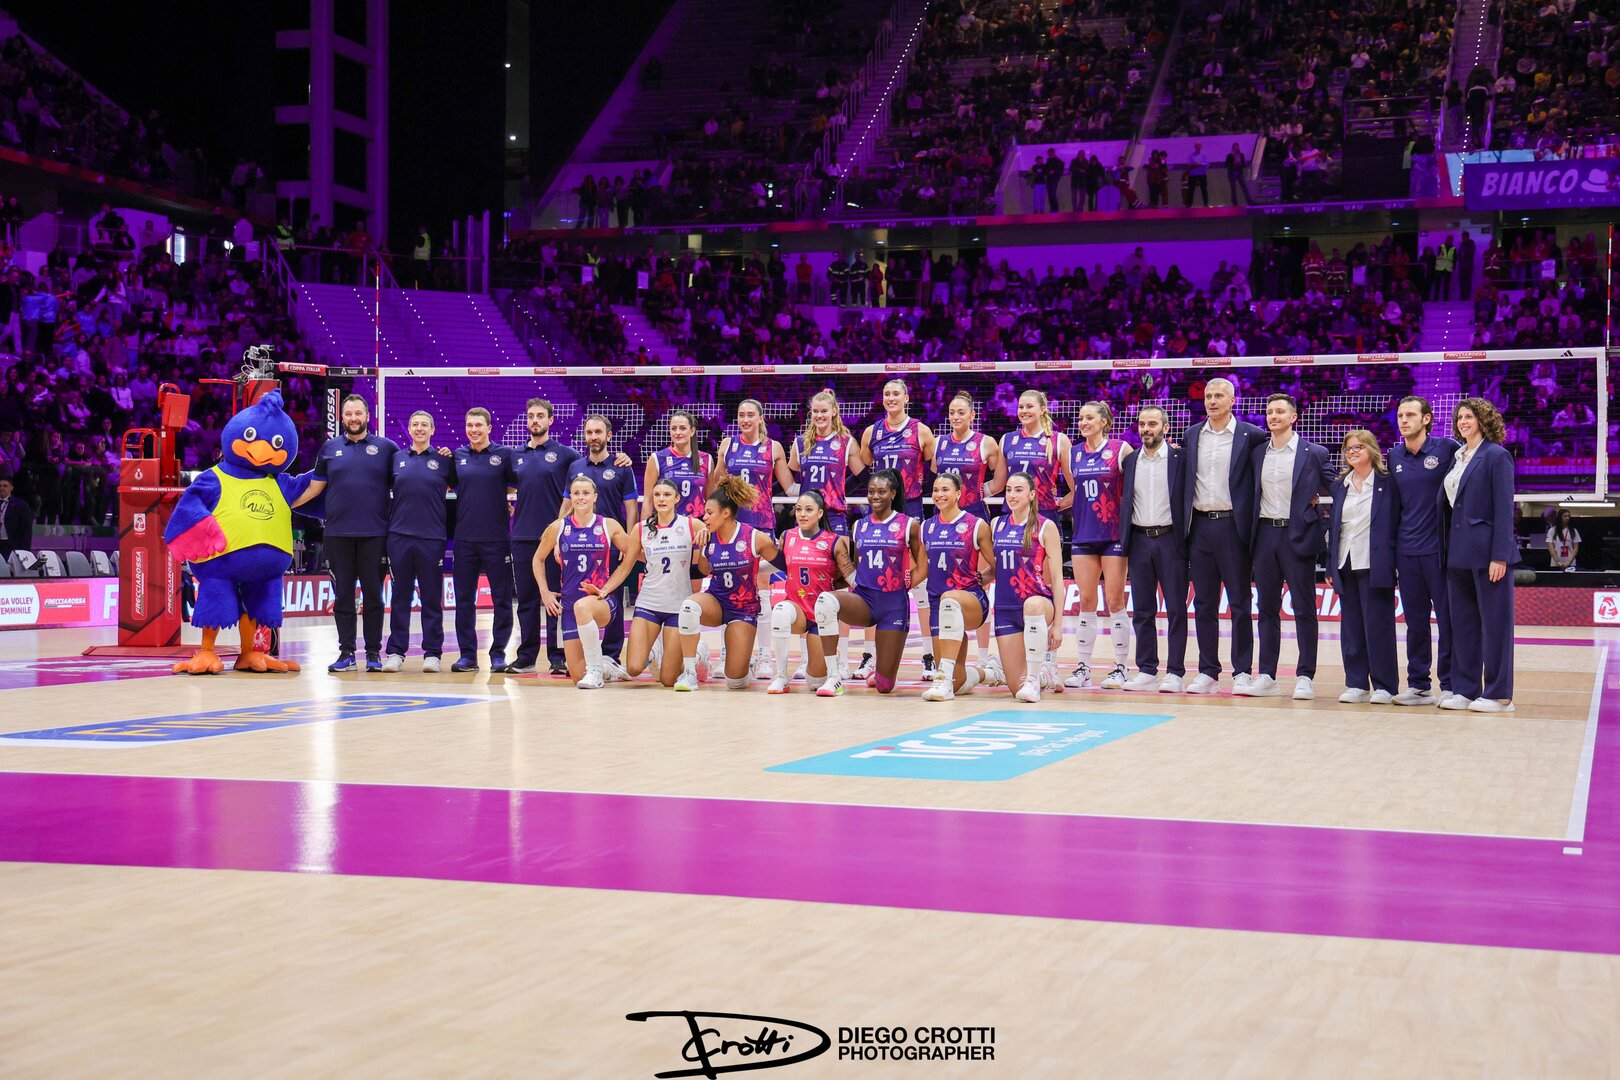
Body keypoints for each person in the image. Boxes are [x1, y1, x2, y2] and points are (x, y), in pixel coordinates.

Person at [298, 394, 400, 673]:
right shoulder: (329, 448)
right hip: (337, 535)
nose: (353, 418)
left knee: (373, 597)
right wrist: (284, 505)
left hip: (375, 535)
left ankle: (373, 653)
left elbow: (407, 480)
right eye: (348, 414)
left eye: (358, 413)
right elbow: (314, 488)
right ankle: (346, 653)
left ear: (367, 416)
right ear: (342, 418)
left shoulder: (387, 448)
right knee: (343, 596)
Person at [1243, 393, 1334, 700]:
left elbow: (1337, 488)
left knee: (1304, 608)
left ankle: (1305, 676)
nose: (1274, 416)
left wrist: (1317, 513)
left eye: (1280, 411)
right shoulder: (1257, 452)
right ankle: (1267, 675)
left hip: (1299, 535)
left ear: (1293, 417)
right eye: (1270, 411)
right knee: (1267, 608)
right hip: (1265, 534)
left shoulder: (1315, 453)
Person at [1180, 377, 1266, 694]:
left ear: (1232, 400)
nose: (1212, 401)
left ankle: (1242, 670)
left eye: (1219, 395)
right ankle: (1208, 671)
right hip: (1199, 526)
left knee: (1240, 602)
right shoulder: (1192, 435)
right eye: (1208, 396)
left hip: (1233, 526)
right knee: (1204, 603)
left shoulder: (1252, 435)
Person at [814, 471, 923, 697]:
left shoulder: (909, 525)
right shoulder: (859, 526)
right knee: (825, 601)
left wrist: (906, 583)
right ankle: (834, 676)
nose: (875, 496)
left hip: (894, 605)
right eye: (871, 491)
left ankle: (881, 671)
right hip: (864, 600)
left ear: (893, 494)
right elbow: (856, 565)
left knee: (884, 686)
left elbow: (923, 565)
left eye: (881, 492)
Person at [591, 477, 706, 687]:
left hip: (677, 606)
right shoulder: (641, 529)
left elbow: (713, 548)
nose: (661, 499)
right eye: (657, 495)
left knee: (668, 680)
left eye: (667, 495)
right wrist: (604, 590)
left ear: (677, 498)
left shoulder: (691, 525)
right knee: (634, 668)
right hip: (649, 603)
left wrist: (709, 532)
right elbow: (625, 566)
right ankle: (654, 652)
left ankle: (698, 654)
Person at [1442, 398, 1519, 713]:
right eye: (1460, 417)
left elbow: (1504, 508)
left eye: (1469, 417)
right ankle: (1465, 689)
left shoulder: (1496, 456)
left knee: (1496, 626)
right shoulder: (1457, 456)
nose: (1463, 421)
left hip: (1489, 553)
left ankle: (1499, 695)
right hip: (1458, 552)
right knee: (1463, 626)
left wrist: (1500, 555)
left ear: (1483, 420)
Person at [860, 380, 937, 675]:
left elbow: (934, 469)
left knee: (921, 587)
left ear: (906, 398)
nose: (891, 398)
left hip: (911, 510)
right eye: (886, 394)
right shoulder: (872, 432)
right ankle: (869, 656)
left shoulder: (921, 431)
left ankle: (929, 656)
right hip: (880, 513)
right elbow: (864, 468)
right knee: (872, 584)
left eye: (896, 394)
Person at [675, 476, 779, 692]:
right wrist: (702, 546)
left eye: (709, 513)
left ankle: (746, 663)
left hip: (743, 609)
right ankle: (691, 671)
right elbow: (704, 571)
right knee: (689, 607)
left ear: (725, 513)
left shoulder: (754, 537)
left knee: (735, 682)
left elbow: (782, 564)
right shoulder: (709, 537)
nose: (704, 517)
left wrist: (754, 568)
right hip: (717, 601)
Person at [930, 390, 1006, 682]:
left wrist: (978, 492)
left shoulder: (986, 442)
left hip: (974, 515)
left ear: (972, 415)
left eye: (961, 412)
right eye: (952, 412)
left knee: (978, 582)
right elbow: (936, 474)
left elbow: (999, 481)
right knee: (948, 582)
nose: (956, 417)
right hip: (945, 518)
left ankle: (984, 656)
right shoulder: (939, 443)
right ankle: (949, 655)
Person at [715, 399, 794, 678]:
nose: (745, 419)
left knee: (762, 590)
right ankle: (727, 654)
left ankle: (763, 657)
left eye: (751, 415)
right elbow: (717, 486)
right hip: (732, 527)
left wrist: (823, 494)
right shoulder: (728, 445)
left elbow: (790, 488)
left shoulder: (773, 447)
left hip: (761, 526)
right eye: (741, 415)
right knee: (730, 590)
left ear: (761, 418)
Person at [1388, 396, 1458, 705]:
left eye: (1410, 415)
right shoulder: (1394, 455)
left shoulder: (1448, 449)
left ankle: (1452, 684)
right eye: (1400, 415)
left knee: (1447, 620)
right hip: (1406, 552)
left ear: (1426, 419)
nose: (1404, 420)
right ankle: (1418, 685)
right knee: (1415, 622)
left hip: (1439, 552)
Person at [535, 475, 631, 689]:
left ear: (594, 497)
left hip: (600, 601)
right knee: (578, 676)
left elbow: (633, 555)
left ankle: (596, 671)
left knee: (583, 606)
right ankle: (606, 667)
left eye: (586, 493)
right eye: (576, 493)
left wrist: (608, 587)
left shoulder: (608, 525)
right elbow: (537, 559)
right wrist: (545, 592)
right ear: (570, 497)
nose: (581, 497)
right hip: (570, 605)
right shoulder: (559, 527)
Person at [1062, 400, 1132, 690]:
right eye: (1081, 418)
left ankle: (1121, 668)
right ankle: (1083, 668)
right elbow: (1074, 492)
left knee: (1115, 602)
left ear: (1104, 422)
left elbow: (1135, 487)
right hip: (1083, 534)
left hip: (1113, 534)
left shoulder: (1120, 449)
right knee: (1086, 603)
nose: (1083, 422)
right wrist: (1051, 504)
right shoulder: (1074, 453)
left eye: (1089, 418)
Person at [1329, 430, 1401, 704]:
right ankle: (1356, 683)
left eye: (1358, 447)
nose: (1352, 452)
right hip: (1345, 562)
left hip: (1376, 563)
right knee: (1351, 628)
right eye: (1348, 448)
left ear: (1371, 449)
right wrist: (1330, 567)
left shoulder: (1387, 482)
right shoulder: (1340, 485)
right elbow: (1336, 528)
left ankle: (1385, 686)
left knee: (1378, 627)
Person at [1119, 406, 1187, 693]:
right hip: (1139, 540)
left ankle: (1175, 672)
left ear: (1165, 428)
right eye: (1142, 424)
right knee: (1143, 610)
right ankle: (1147, 669)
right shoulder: (1130, 460)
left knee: (1176, 609)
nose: (1146, 429)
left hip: (1171, 539)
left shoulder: (1181, 459)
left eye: (1152, 424)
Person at [382, 411, 456, 672]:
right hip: (399, 537)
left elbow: (467, 489)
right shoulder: (396, 459)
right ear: (410, 429)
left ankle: (433, 653)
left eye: (425, 424)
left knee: (432, 598)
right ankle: (395, 652)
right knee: (400, 597)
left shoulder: (445, 460)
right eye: (415, 424)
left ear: (433, 430)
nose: (420, 428)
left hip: (432, 538)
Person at [568, 414, 641, 668]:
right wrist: (558, 538)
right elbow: (567, 505)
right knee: (576, 596)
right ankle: (579, 654)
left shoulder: (622, 466)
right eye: (589, 432)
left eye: (598, 432)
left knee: (612, 597)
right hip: (578, 544)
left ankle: (610, 656)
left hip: (610, 545)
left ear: (609, 435)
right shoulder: (575, 467)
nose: (593, 437)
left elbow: (631, 509)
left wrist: (629, 544)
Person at [449, 408, 518, 673]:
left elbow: (516, 484)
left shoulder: (504, 455)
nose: (474, 429)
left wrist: (502, 501)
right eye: (470, 425)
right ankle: (467, 656)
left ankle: (498, 653)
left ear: (489, 428)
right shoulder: (458, 456)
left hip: (497, 539)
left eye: (479, 425)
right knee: (464, 600)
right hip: (464, 539)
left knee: (502, 599)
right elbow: (449, 484)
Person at [989, 472, 1065, 704]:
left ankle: (1033, 679)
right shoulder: (996, 524)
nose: (1012, 495)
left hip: (1038, 603)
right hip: (1006, 609)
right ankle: (1044, 675)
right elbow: (993, 569)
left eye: (1018, 490)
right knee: (1016, 689)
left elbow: (1058, 579)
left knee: (1032, 605)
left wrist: (1058, 626)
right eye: (1009, 490)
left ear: (1032, 494)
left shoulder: (1045, 526)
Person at [920, 473, 995, 702]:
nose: (939, 494)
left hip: (971, 600)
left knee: (950, 598)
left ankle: (941, 682)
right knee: (958, 683)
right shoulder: (926, 527)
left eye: (945, 490)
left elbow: (997, 566)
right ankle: (991, 673)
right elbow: (921, 570)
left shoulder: (976, 525)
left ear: (958, 494)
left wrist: (980, 579)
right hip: (937, 605)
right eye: (936, 490)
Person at [767, 491, 841, 695]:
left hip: (821, 615)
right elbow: (779, 565)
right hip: (796, 610)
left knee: (815, 682)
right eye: (799, 509)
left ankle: (832, 659)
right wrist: (750, 566)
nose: (802, 514)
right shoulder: (787, 536)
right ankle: (781, 676)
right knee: (780, 610)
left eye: (808, 510)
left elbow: (847, 576)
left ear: (820, 513)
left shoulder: (833, 540)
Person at [790, 389, 864, 538]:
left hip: (834, 515)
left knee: (839, 554)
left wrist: (838, 490)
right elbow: (787, 480)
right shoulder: (800, 443)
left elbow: (862, 477)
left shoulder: (846, 442)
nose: (819, 415)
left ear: (834, 412)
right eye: (815, 411)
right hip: (806, 515)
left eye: (824, 411)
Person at [999, 390, 1069, 517]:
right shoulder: (1007, 439)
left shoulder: (1059, 440)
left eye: (1029, 406)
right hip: (1012, 514)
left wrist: (1055, 507)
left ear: (1042, 410)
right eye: (1021, 407)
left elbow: (1077, 486)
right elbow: (998, 483)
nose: (1024, 411)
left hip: (1044, 515)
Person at [645, 409, 711, 522]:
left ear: (692, 431)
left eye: (683, 428)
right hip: (667, 524)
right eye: (673, 428)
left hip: (697, 525)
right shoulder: (657, 458)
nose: (677, 432)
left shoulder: (706, 459)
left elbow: (710, 500)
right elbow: (648, 500)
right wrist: (644, 529)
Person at [0, 475, 33, 558]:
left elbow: (26, 530)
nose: (1, 488)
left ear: (11, 488)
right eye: (0, 486)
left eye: (5, 486)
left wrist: (25, 552)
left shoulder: (20, 505)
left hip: (11, 545)